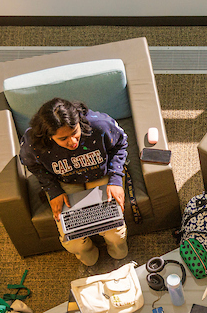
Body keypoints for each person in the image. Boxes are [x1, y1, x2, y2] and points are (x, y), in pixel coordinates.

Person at [19, 97, 129, 267]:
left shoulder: (99, 125)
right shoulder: (33, 143)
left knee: (115, 231)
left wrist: (115, 179)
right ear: (48, 137)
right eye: (63, 139)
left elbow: (121, 144)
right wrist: (53, 190)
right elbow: (32, 165)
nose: (72, 142)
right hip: (64, 181)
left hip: (100, 174)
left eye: (74, 133)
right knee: (72, 241)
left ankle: (118, 256)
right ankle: (91, 259)